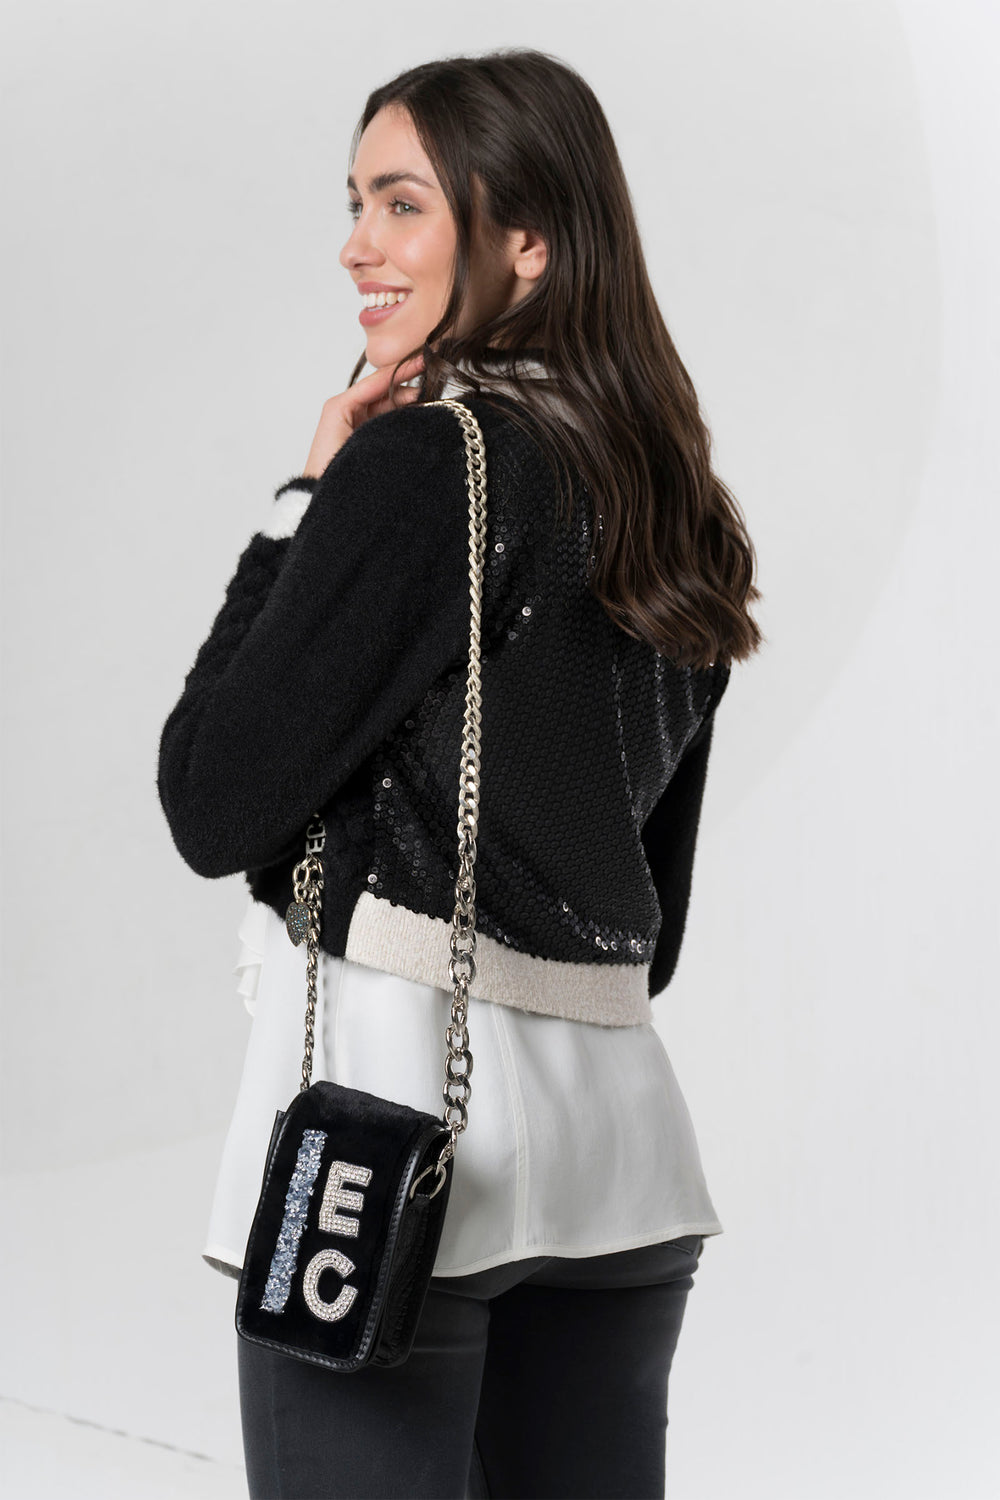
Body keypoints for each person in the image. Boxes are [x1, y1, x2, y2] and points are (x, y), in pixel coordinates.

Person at [157, 46, 762, 1500]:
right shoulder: (679, 501)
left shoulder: (427, 464)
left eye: (402, 203)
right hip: (623, 1164)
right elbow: (649, 919)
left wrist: (303, 501)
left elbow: (212, 798)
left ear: (527, 242)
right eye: (356, 201)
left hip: (390, 1137)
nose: (357, 243)